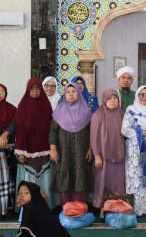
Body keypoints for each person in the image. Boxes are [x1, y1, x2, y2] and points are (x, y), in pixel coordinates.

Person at [49, 82, 93, 205]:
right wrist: (53, 150)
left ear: (78, 93)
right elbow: (53, 132)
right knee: (65, 176)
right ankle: (67, 210)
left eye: (74, 91)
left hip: (81, 151)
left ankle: (80, 209)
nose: (71, 94)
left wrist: (91, 149)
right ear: (64, 94)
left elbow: (92, 132)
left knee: (80, 175)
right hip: (64, 151)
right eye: (68, 92)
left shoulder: (86, 112)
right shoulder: (58, 111)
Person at [14, 78, 54, 209]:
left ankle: (45, 208)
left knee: (45, 180)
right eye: (32, 89)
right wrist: (20, 152)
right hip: (27, 150)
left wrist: (53, 148)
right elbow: (19, 130)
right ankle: (27, 208)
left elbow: (52, 128)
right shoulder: (23, 106)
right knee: (29, 180)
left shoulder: (46, 105)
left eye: (37, 89)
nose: (35, 91)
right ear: (28, 90)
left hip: (45, 149)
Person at [121, 85, 146, 216]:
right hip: (134, 150)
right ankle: (136, 208)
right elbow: (125, 130)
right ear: (137, 96)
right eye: (141, 95)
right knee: (135, 178)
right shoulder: (131, 109)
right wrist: (143, 133)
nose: (144, 97)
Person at [91, 89, 125, 209]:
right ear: (104, 100)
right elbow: (94, 137)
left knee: (118, 182)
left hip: (120, 155)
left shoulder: (122, 114)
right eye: (109, 98)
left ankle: (119, 205)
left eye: (115, 98)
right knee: (103, 181)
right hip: (103, 156)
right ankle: (102, 206)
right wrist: (96, 155)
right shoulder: (97, 115)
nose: (112, 101)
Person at [0, 84, 17, 216]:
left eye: (2, 91)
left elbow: (15, 124)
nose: (0, 93)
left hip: (6, 151)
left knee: (6, 179)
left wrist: (5, 134)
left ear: (6, 93)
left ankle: (6, 209)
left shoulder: (12, 109)